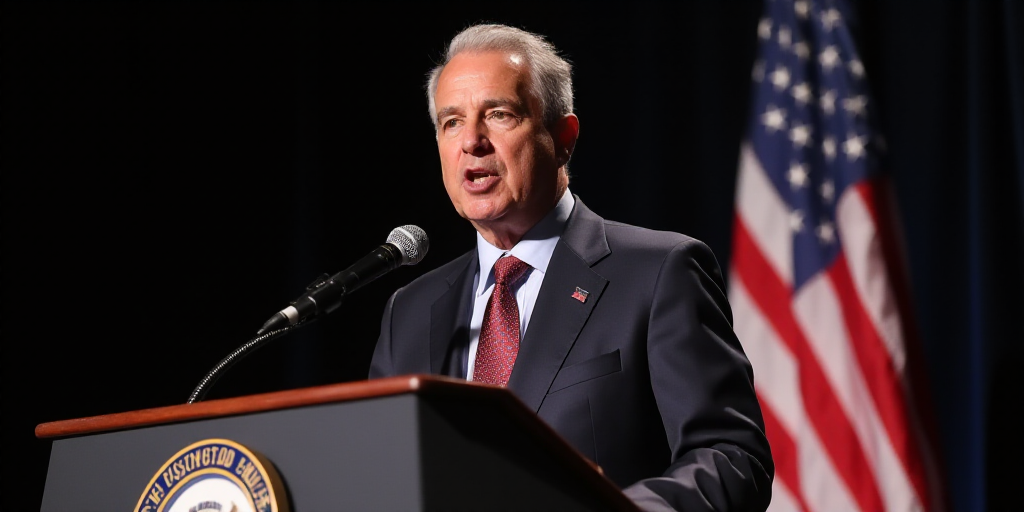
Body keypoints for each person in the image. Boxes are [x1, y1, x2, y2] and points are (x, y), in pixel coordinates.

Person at [369, 22, 774, 511]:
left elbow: (731, 457)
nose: (471, 141)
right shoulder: (410, 311)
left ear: (563, 137)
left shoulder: (660, 272)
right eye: (451, 122)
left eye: (498, 114)